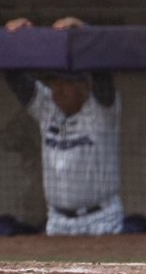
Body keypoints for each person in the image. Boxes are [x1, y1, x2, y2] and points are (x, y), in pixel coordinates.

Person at [8, 72, 124, 235]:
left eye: (66, 84)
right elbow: (16, 79)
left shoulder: (101, 112)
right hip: (58, 221)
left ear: (85, 86)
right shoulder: (48, 110)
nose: (58, 90)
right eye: (54, 84)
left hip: (101, 219)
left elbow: (102, 79)